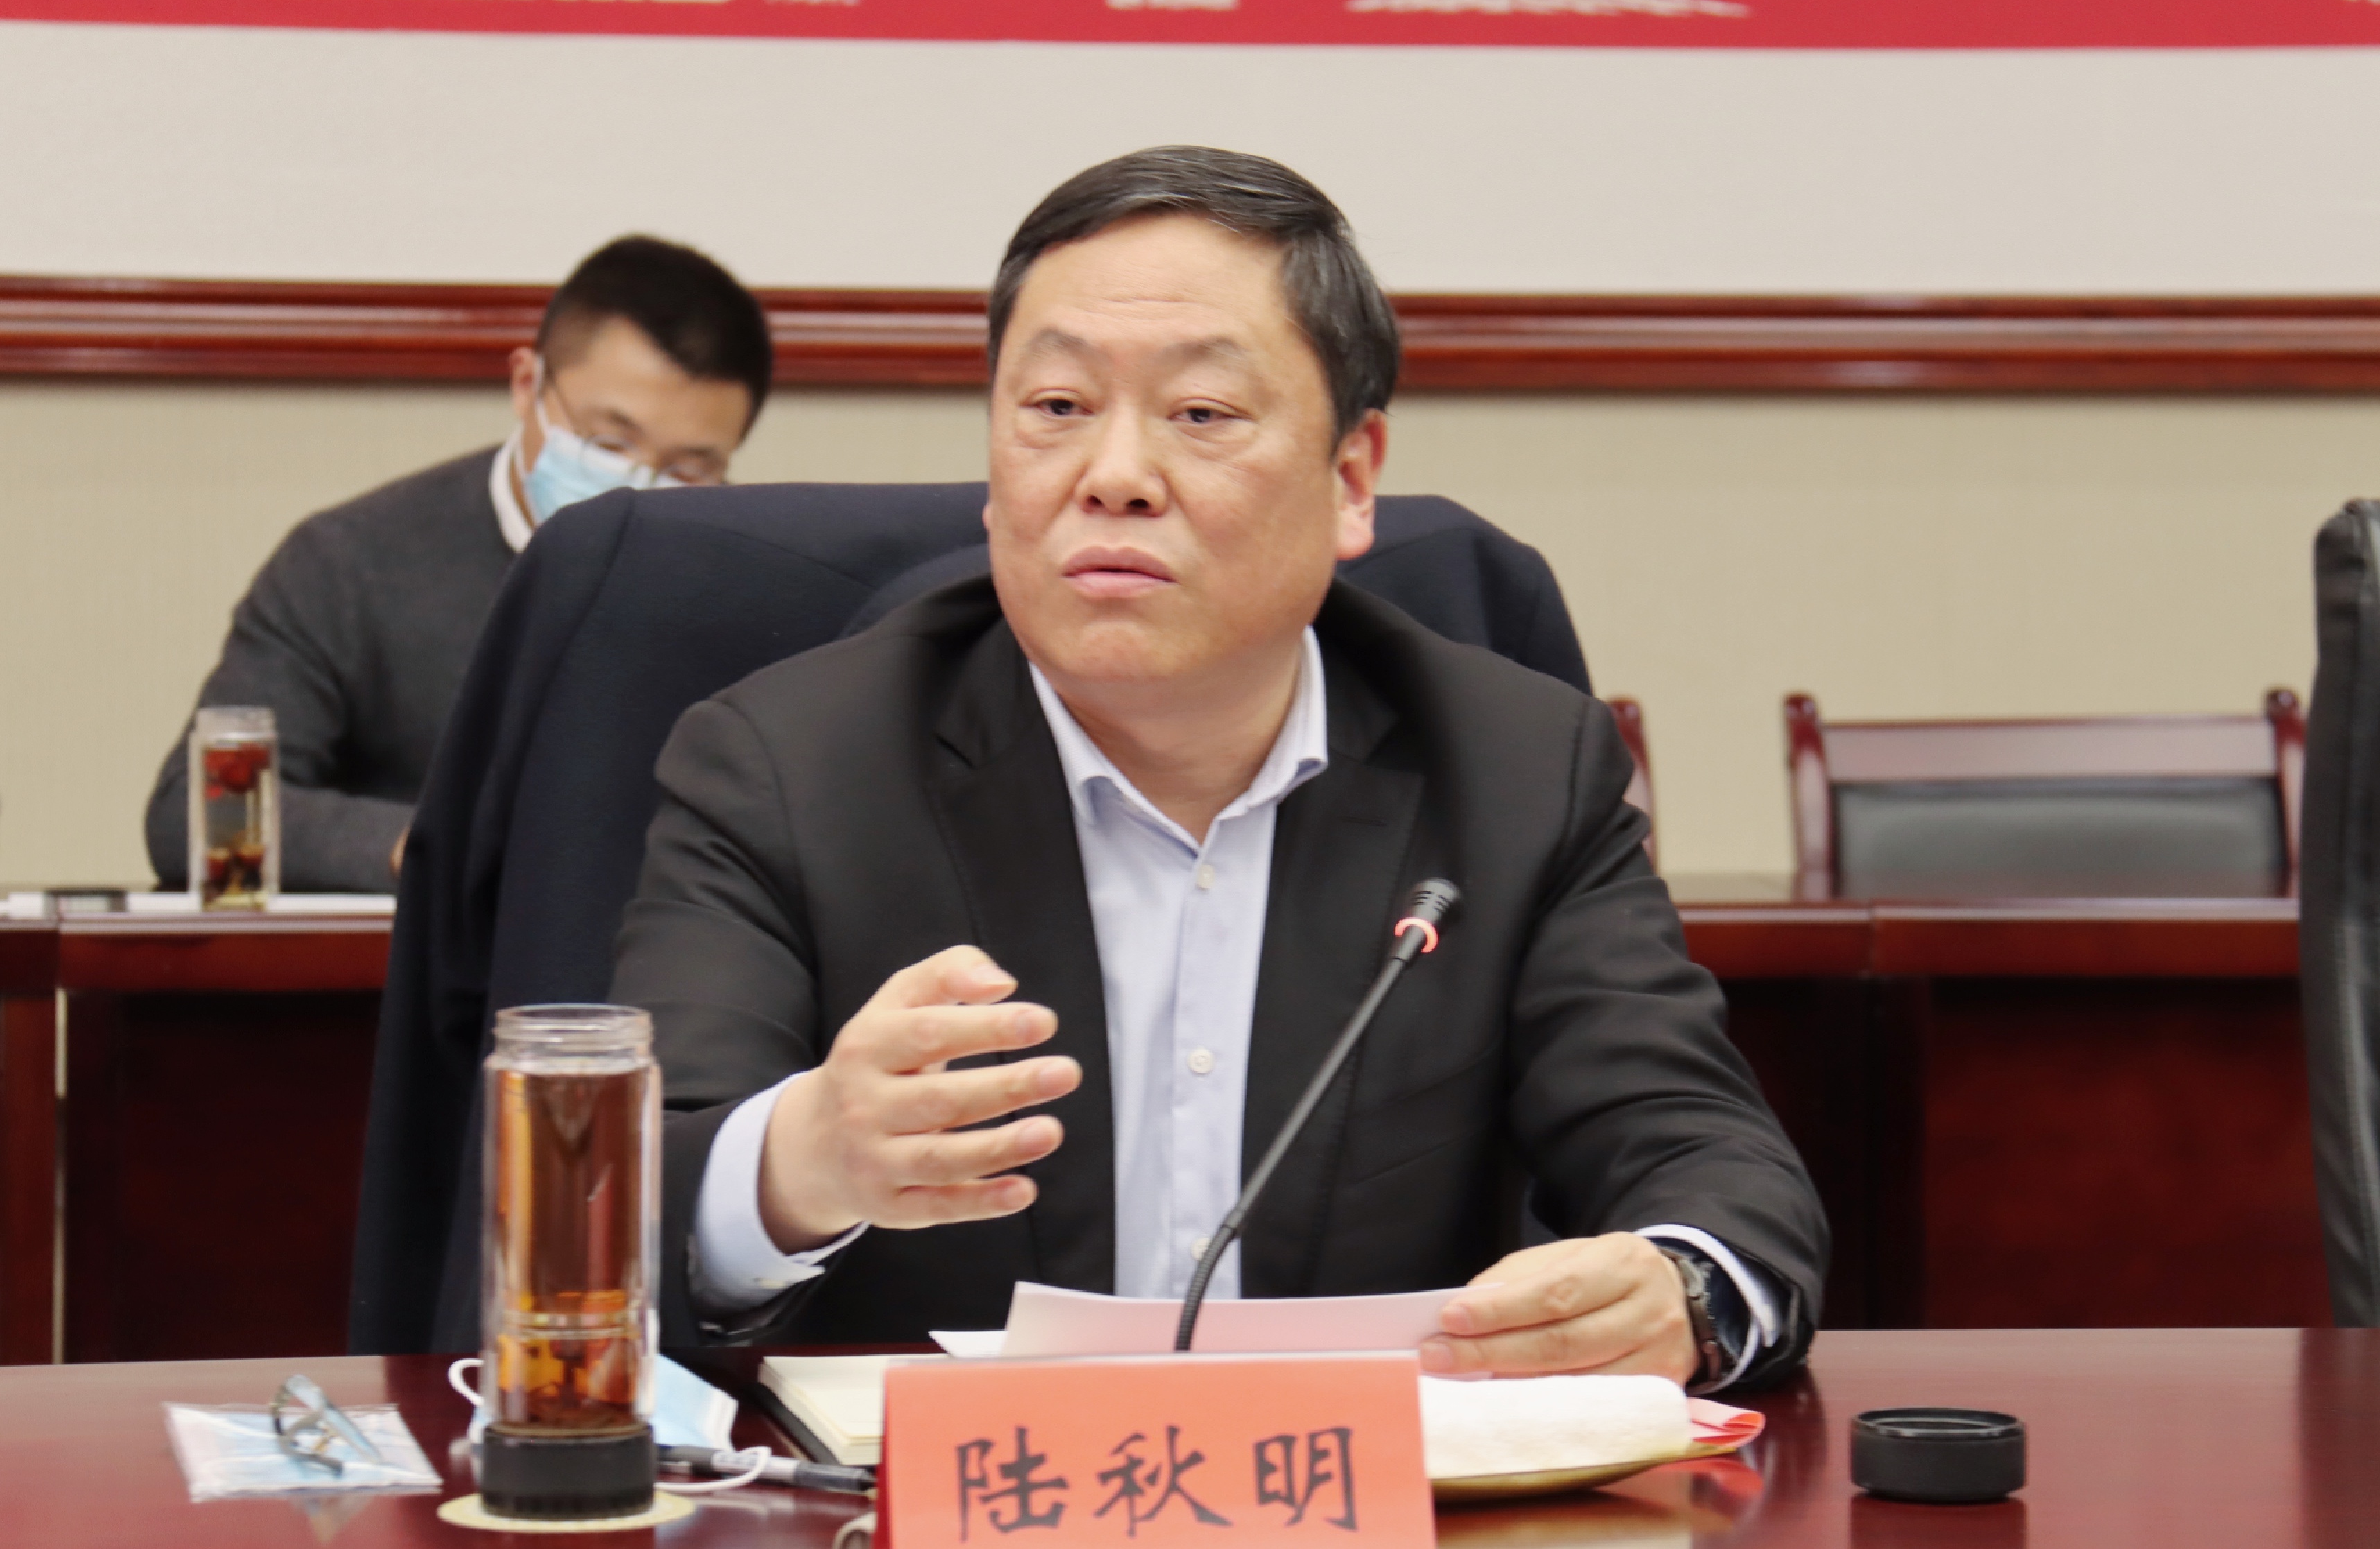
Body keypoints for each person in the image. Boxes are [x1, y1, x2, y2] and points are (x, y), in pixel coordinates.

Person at [611, 148, 1828, 1389]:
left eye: (1199, 415)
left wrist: (1676, 1290)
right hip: (940, 1483)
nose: (1113, 478)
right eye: (1055, 408)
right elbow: (619, 1205)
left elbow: (1707, 1164)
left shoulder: (1516, 773)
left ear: (1349, 481)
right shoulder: (788, 767)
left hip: (1360, 1484)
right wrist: (800, 1162)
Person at [144, 236, 772, 894]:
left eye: (688, 471)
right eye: (608, 443)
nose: (637, 489)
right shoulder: (350, 562)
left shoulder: (753, 581)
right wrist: (437, 848)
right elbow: (197, 812)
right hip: (417, 943)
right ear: (527, 385)